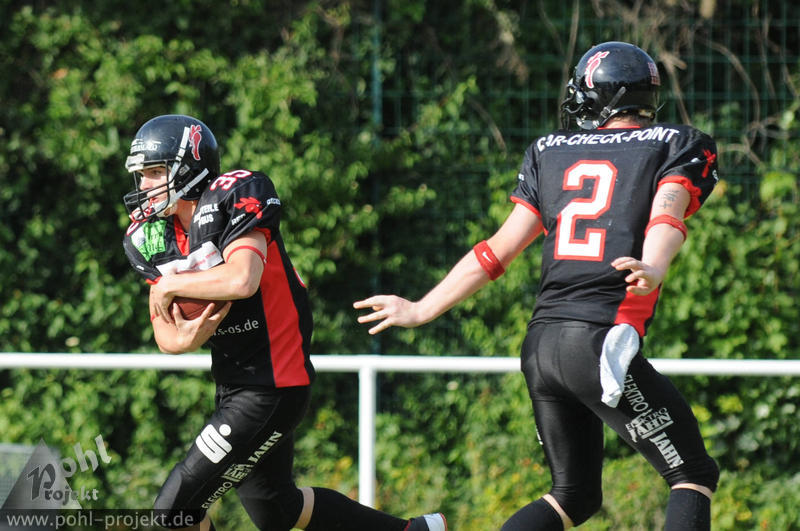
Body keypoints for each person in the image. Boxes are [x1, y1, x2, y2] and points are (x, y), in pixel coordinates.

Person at [354, 42, 720, 530]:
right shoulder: (677, 142)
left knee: (574, 496)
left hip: (542, 346)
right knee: (692, 473)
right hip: (597, 341)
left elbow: (496, 251)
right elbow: (666, 213)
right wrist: (653, 266)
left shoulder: (550, 151)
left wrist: (422, 309)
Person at [121, 114, 447, 531]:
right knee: (277, 508)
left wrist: (170, 287)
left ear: (188, 167)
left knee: (173, 511)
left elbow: (243, 279)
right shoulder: (147, 236)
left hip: (273, 384)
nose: (144, 184)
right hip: (234, 384)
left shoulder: (234, 193)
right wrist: (182, 337)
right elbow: (165, 334)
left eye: (154, 172)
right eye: (141, 174)